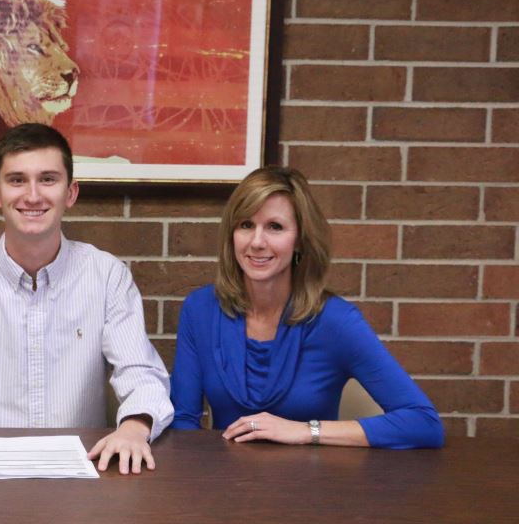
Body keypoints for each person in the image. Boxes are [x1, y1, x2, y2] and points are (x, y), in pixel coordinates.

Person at [0, 124, 173, 475]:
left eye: (48, 179)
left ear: (71, 192)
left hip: (84, 472)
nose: (33, 195)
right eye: (17, 180)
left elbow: (141, 373)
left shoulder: (107, 277)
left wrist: (135, 428)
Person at [169, 166, 444, 449]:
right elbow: (182, 421)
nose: (257, 242)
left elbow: (423, 423)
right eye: (246, 225)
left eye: (275, 227)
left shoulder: (335, 320)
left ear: (300, 239)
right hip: (226, 473)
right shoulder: (201, 310)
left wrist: (304, 431)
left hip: (312, 474)